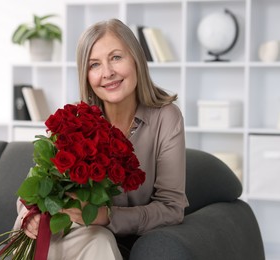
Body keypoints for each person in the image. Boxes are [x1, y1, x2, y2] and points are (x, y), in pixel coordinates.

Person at [13, 18, 188, 259]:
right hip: (60, 230)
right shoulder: (73, 119)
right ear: (86, 75)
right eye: (94, 64)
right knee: (96, 239)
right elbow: (36, 187)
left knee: (99, 239)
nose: (107, 73)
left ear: (136, 58)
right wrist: (28, 216)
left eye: (116, 57)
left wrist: (106, 216)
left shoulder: (166, 118)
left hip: (104, 239)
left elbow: (171, 209)